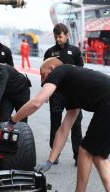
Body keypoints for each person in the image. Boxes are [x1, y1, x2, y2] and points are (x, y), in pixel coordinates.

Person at [8, 57, 110, 192]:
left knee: (85, 150)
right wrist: (50, 160)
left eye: (43, 76)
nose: (42, 82)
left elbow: (36, 102)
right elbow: (64, 128)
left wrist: (12, 121)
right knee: (98, 156)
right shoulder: (72, 88)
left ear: (52, 68)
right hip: (106, 103)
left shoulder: (60, 71)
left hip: (108, 102)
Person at [44, 23, 84, 165]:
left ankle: (78, 156)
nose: (58, 39)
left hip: (73, 93)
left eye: (60, 37)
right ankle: (54, 154)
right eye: (56, 37)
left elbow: (82, 73)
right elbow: (45, 74)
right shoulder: (49, 52)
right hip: (57, 92)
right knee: (55, 122)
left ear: (67, 35)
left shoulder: (75, 51)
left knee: (76, 124)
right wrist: (45, 93)